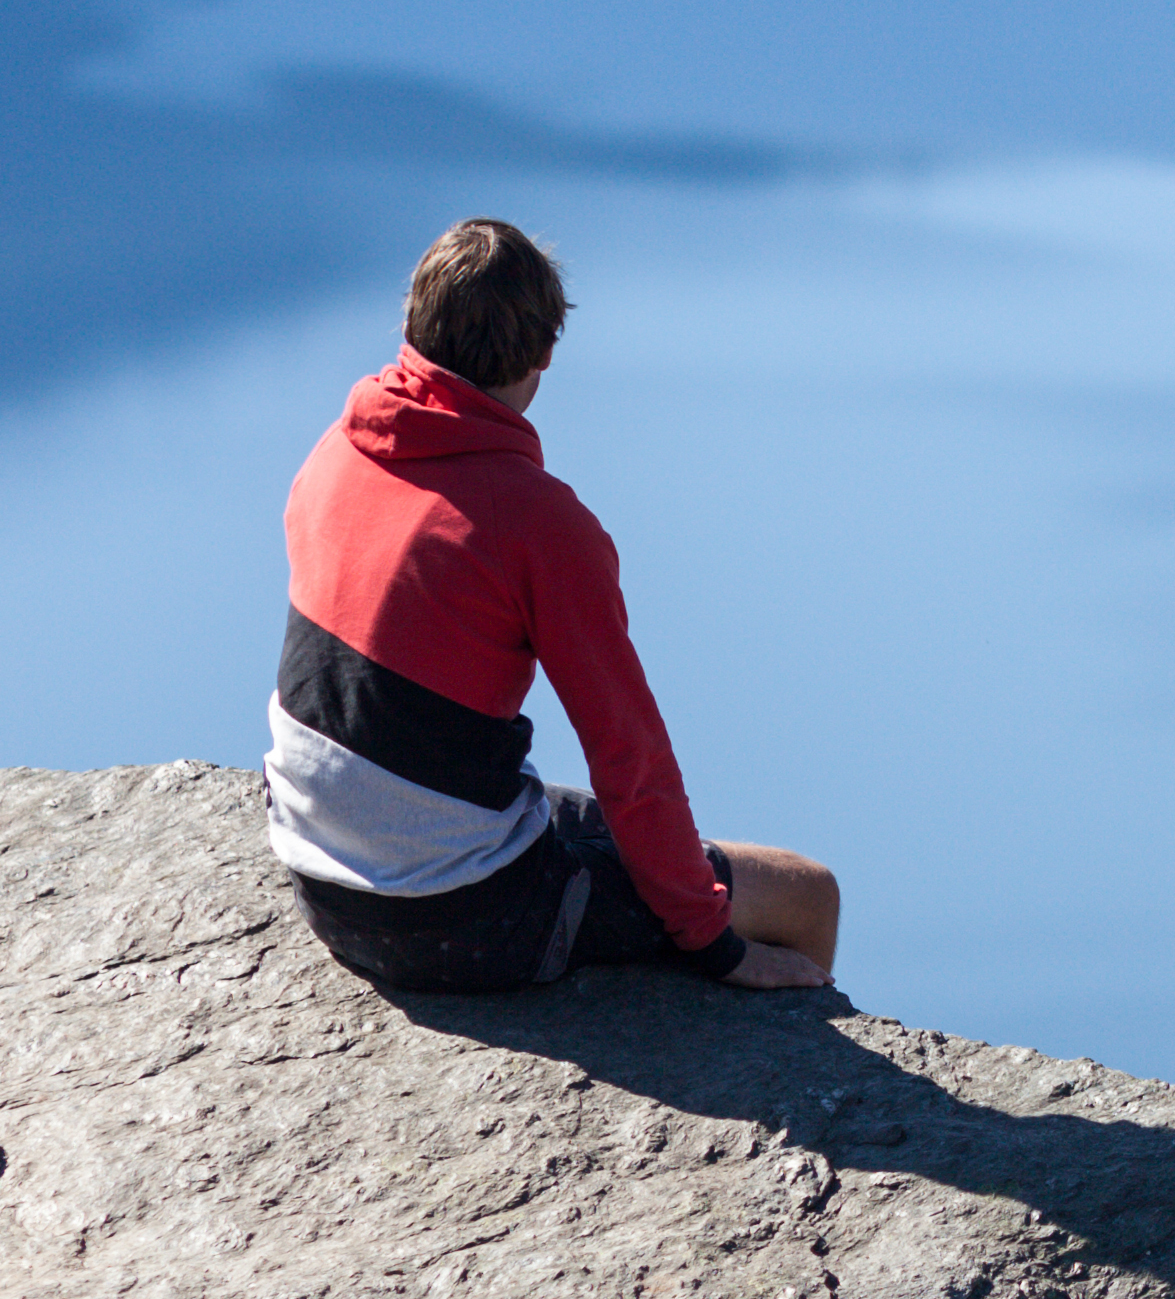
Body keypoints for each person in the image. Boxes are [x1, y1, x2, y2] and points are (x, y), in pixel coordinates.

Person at [264, 217, 843, 997]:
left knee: (605, 830)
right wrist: (715, 943)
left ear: (409, 326)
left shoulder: (337, 452)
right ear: (543, 357)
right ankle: (811, 1088)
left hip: (320, 881)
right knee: (805, 892)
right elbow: (626, 756)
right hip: (461, 921)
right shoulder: (539, 524)